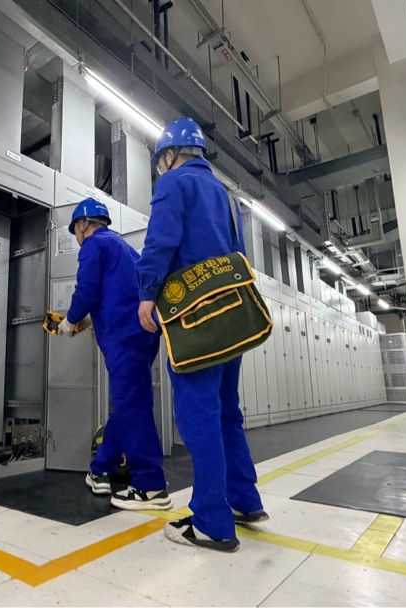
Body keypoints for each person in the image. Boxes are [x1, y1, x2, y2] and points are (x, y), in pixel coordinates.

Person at [135, 117, 267, 552]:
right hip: (232, 317)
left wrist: (147, 293)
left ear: (171, 155)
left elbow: (160, 241)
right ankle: (244, 500)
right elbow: (238, 255)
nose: (161, 166)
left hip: (194, 320)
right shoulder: (226, 196)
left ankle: (212, 521)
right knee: (227, 412)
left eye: (161, 160)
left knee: (198, 415)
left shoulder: (173, 183)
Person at [59, 197, 172, 511]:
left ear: (83, 224)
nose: (77, 237)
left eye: (75, 230)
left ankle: (150, 485)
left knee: (132, 407)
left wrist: (69, 321)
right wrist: (90, 318)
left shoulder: (93, 245)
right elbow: (120, 292)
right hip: (144, 334)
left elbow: (86, 289)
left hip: (122, 337)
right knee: (129, 403)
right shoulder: (125, 248)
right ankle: (100, 470)